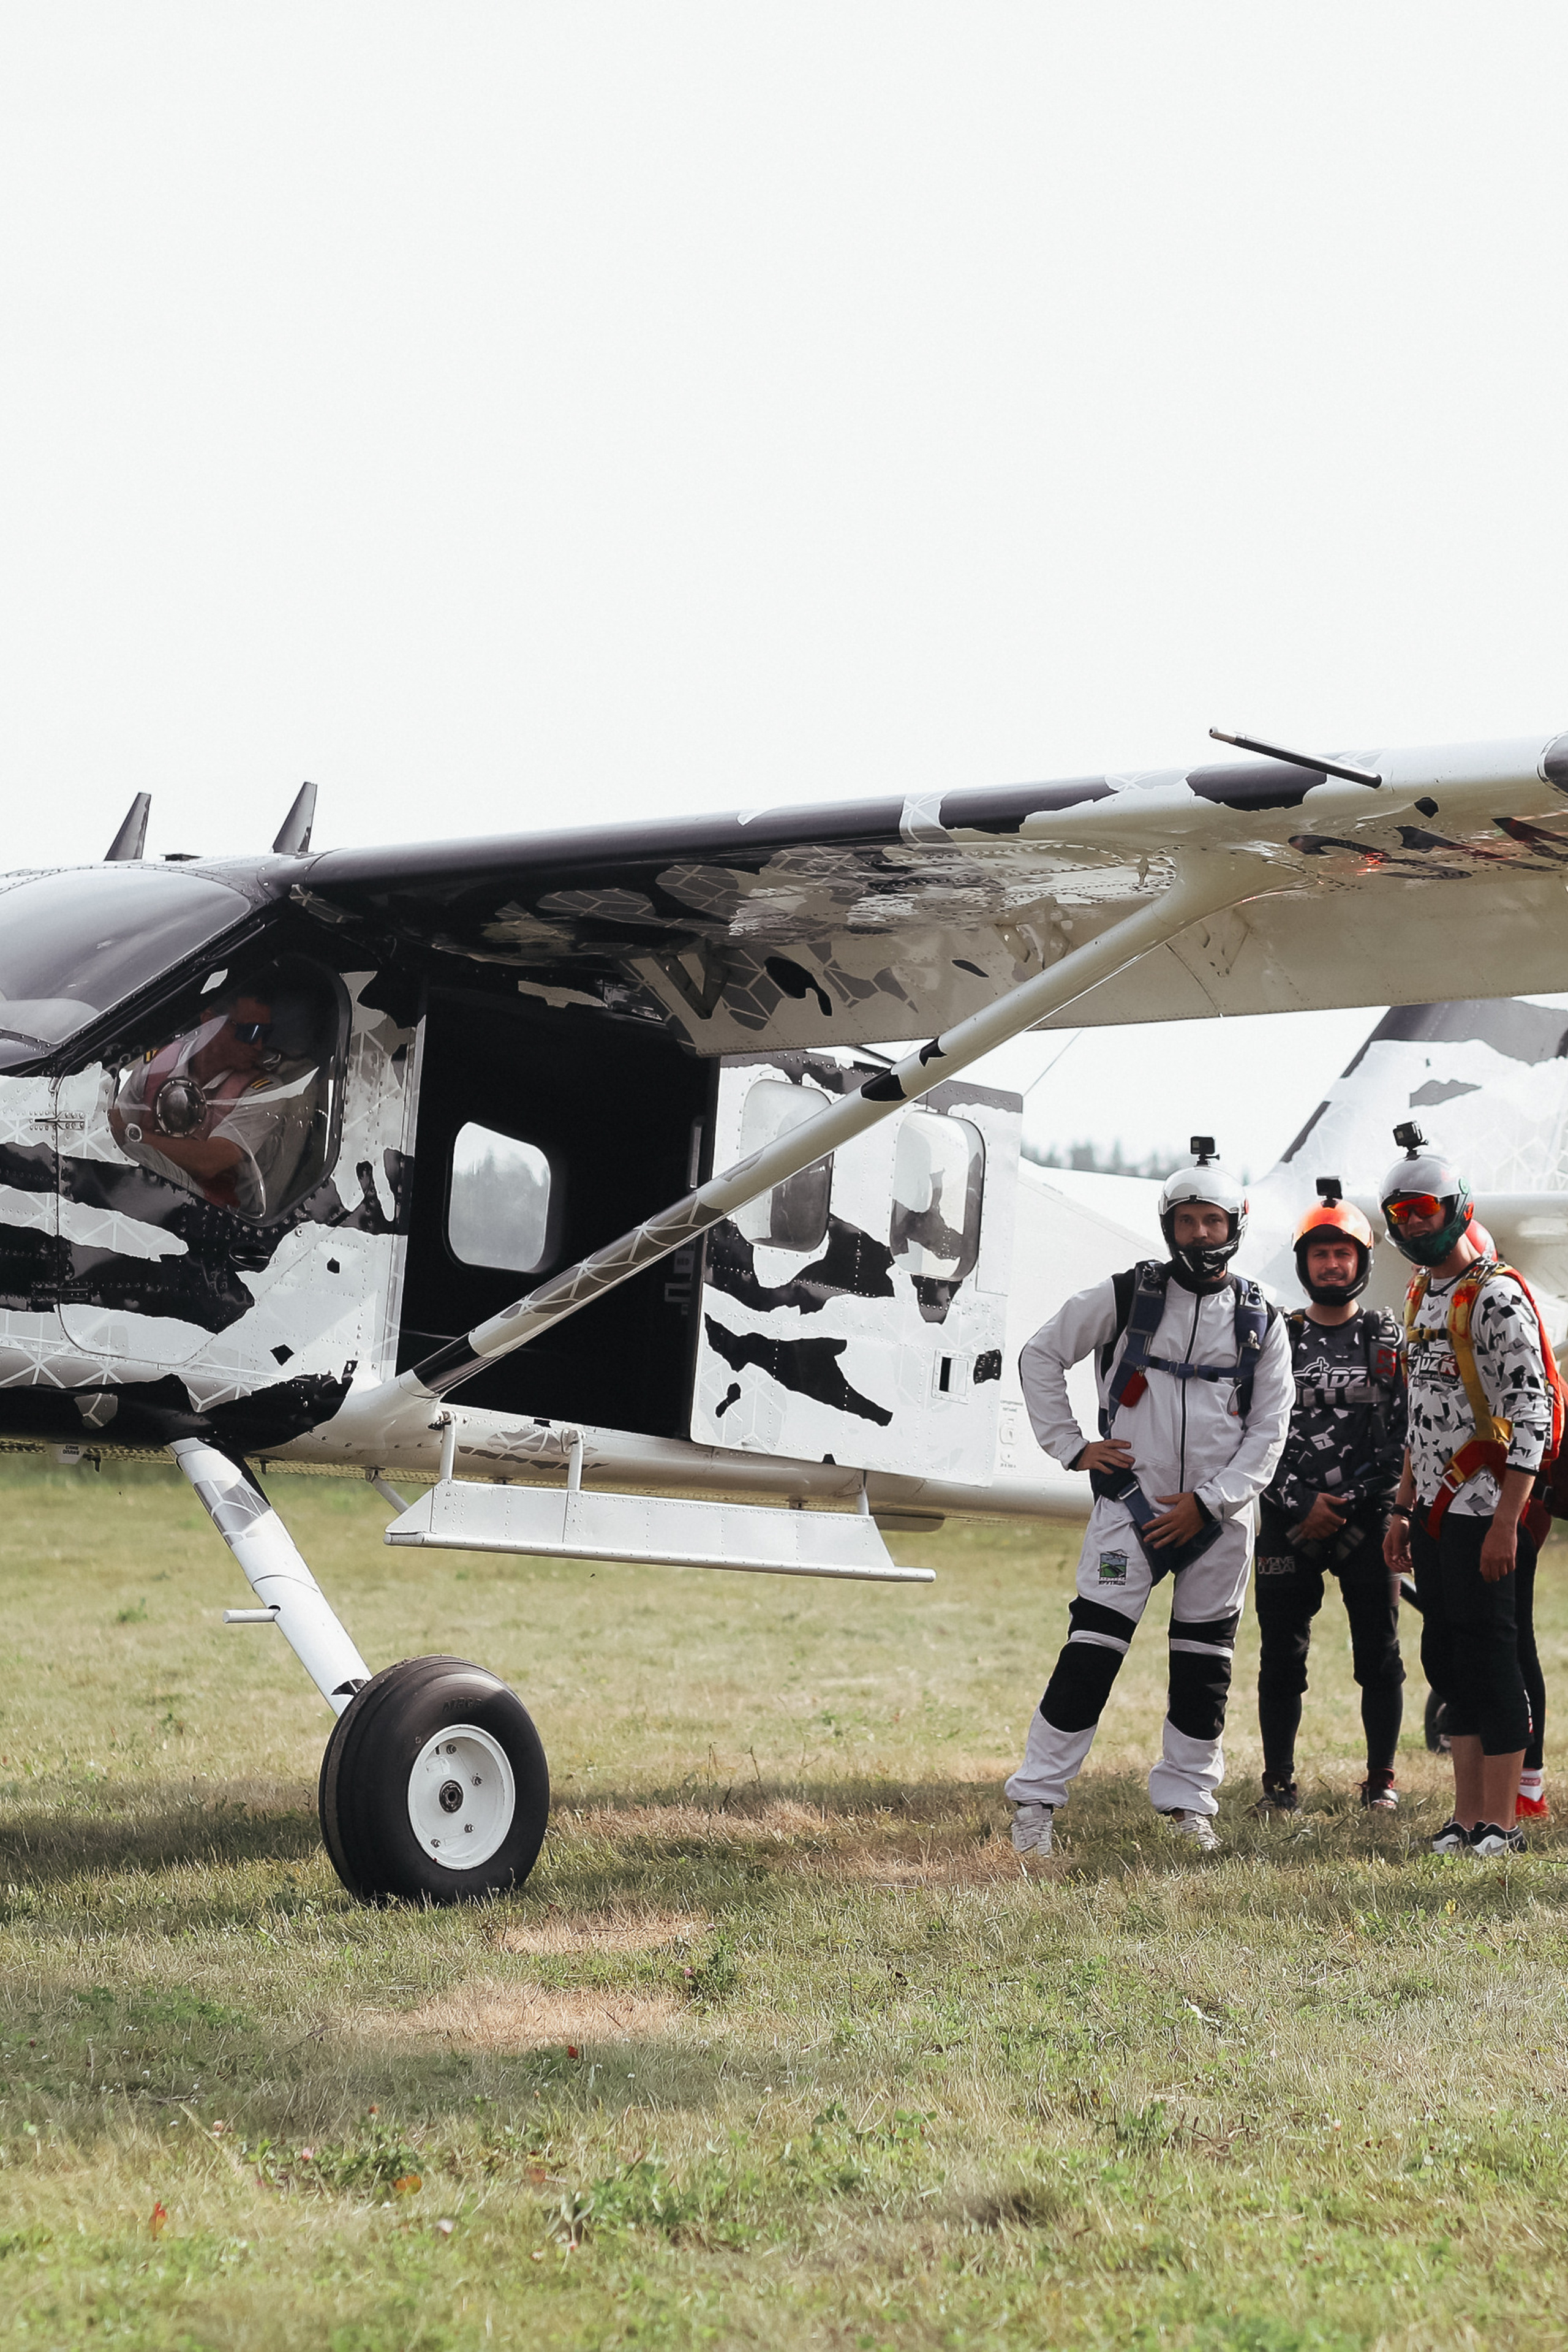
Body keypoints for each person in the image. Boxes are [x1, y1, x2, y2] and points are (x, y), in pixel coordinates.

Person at [1006, 1139, 1294, 1855]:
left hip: (1219, 1524)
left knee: (1204, 1667)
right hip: (1127, 1511)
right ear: (1168, 1226)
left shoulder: (1262, 1318)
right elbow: (1039, 1354)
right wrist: (1073, 1446)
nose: (1199, 1234)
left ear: (1235, 1225)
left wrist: (1211, 1502)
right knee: (1089, 1654)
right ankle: (1035, 1803)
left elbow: (1270, 1429)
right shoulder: (1126, 1296)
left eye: (1212, 1221)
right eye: (1187, 1221)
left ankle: (1190, 1804)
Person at [1381, 1125, 1553, 1857]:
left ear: (1457, 1207)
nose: (1414, 1223)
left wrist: (1507, 1522)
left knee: (1492, 1658)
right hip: (1432, 1512)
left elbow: (1532, 1412)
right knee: (1448, 1659)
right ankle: (1466, 1817)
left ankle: (1503, 1825)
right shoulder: (1421, 1295)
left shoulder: (1496, 1297)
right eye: (1400, 1213)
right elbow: (1419, 1416)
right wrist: (1401, 1507)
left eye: (1424, 1208)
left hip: (1486, 1510)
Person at [1253, 1183, 1406, 1814]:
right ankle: (1278, 1785)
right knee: (1280, 1657)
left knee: (1380, 1655)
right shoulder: (1276, 1338)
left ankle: (1381, 1783)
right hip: (1287, 1521)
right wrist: (1298, 1502)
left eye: (1343, 1253)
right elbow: (1252, 1433)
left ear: (1362, 1260)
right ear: (1303, 1263)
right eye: (1320, 1254)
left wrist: (1353, 1503)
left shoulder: (1386, 1338)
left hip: (1368, 1521)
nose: (1332, 1265)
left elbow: (1403, 1436)